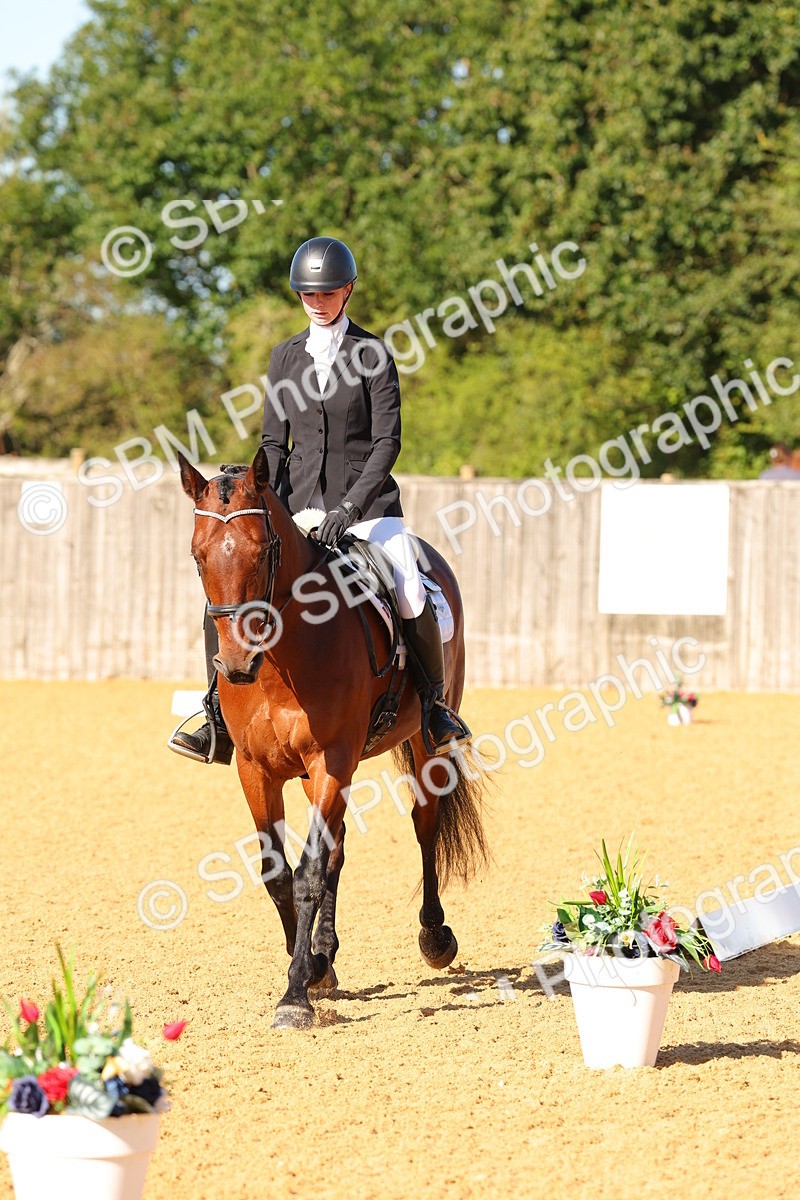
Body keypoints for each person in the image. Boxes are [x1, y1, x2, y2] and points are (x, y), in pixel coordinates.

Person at [170, 235, 470, 764]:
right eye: (309, 292)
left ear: (347, 290)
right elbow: (272, 442)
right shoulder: (284, 356)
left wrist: (351, 508)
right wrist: (263, 496)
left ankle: (435, 709)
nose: (318, 300)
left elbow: (386, 443)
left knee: (409, 592)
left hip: (369, 511)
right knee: (227, 598)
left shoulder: (372, 354)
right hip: (296, 507)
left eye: (328, 291)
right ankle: (217, 714)